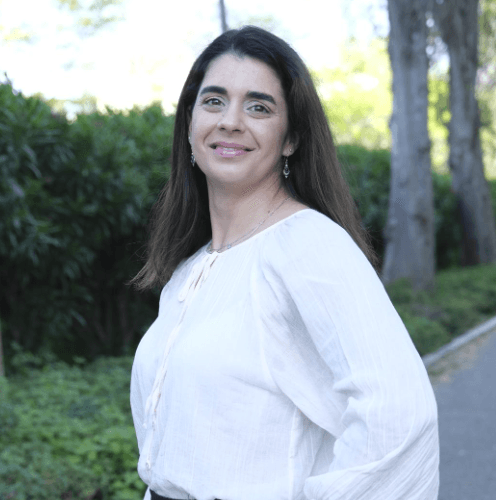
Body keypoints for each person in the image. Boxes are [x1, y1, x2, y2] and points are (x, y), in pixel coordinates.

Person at [129, 25, 439, 500]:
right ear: (189, 124)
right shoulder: (191, 270)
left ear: (291, 137)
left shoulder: (309, 245)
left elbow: (398, 416)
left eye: (258, 107)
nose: (231, 121)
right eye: (214, 101)